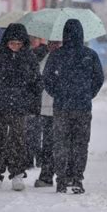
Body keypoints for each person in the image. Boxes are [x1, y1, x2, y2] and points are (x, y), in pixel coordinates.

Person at [0, 23, 43, 191]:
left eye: (19, 44)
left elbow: (36, 84)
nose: (15, 47)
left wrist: (35, 105)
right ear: (6, 41)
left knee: (18, 141)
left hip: (19, 107)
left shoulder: (29, 57)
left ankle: (18, 174)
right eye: (12, 43)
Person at [43, 19, 104, 194]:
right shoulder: (89, 55)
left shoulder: (56, 55)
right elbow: (99, 79)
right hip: (83, 107)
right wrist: (88, 93)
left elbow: (47, 78)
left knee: (60, 143)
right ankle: (77, 178)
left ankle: (61, 180)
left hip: (61, 106)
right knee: (80, 143)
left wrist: (58, 93)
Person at [34, 41, 62, 188]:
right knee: (48, 143)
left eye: (58, 43)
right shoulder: (42, 57)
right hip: (45, 107)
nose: (54, 45)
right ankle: (47, 175)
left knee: (60, 143)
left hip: (61, 107)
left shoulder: (63, 58)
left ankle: (61, 176)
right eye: (51, 42)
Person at [25, 36, 49, 169]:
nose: (33, 40)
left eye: (36, 37)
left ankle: (39, 157)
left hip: (44, 96)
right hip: (32, 96)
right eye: (31, 37)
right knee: (31, 129)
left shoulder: (48, 54)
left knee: (40, 129)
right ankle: (31, 157)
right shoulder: (25, 55)